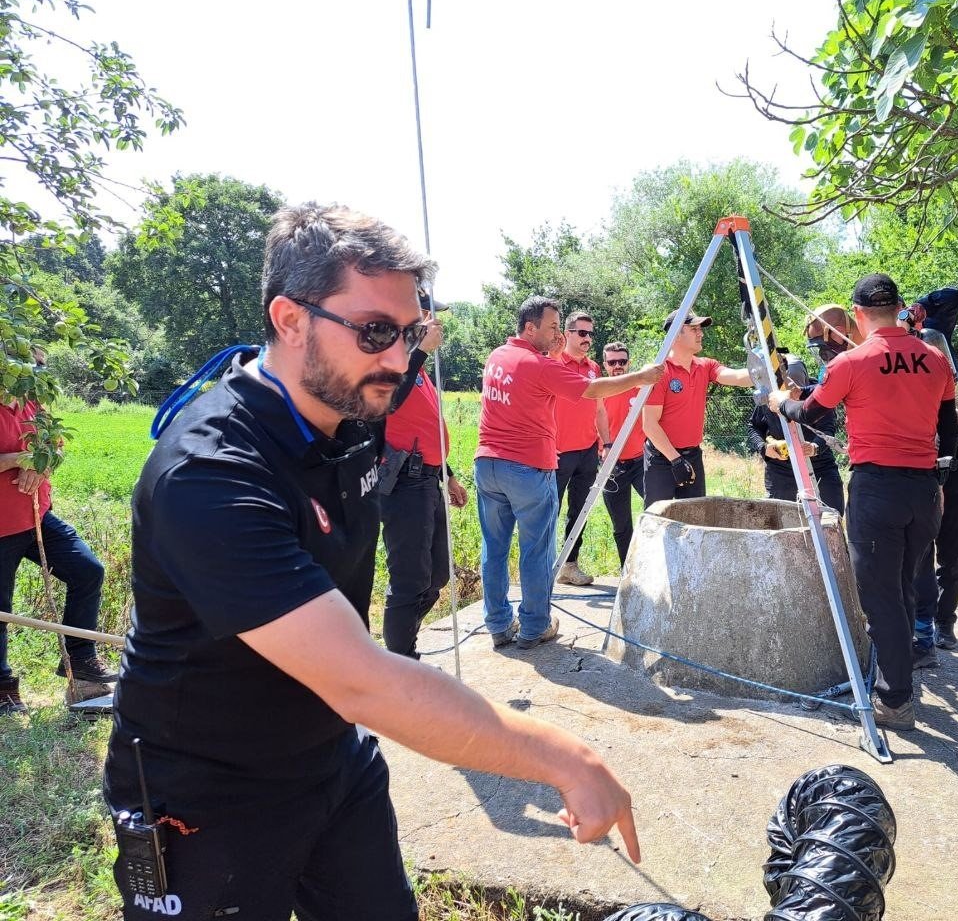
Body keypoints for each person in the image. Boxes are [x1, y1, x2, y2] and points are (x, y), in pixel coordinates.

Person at [105, 205, 642, 921]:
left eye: (410, 333)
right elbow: (365, 682)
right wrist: (560, 758)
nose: (398, 359)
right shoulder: (210, 475)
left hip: (330, 758)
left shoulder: (352, 408)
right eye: (376, 332)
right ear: (289, 320)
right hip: (207, 793)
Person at [769, 273, 956, 732]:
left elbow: (810, 412)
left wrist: (779, 402)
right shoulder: (935, 360)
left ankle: (894, 699)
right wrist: (937, 478)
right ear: (899, 308)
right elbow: (949, 431)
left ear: (858, 315)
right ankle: (900, 677)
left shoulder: (852, 363)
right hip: (925, 489)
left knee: (880, 596)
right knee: (907, 584)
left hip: (878, 490)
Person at [475, 296, 661, 651]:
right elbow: (591, 390)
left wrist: (552, 352)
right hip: (528, 467)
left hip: (488, 464)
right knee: (537, 551)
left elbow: (532, 384)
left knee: (495, 548)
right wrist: (640, 376)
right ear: (530, 328)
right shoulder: (541, 366)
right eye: (552, 328)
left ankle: (498, 624)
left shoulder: (498, 356)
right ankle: (534, 626)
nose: (557, 335)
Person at [0, 349, 114, 715]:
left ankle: (80, 662)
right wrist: (21, 459)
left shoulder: (35, 402)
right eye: (28, 369)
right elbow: (27, 455)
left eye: (38, 369)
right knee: (0, 610)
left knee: (87, 571)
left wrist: (42, 465)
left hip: (37, 518)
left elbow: (53, 447)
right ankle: (2, 687)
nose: (35, 375)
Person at [376, 298, 467, 660]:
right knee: (409, 580)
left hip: (428, 479)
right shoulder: (390, 359)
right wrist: (420, 354)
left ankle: (399, 649)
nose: (433, 322)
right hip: (403, 483)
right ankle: (401, 660)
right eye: (426, 314)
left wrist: (450, 475)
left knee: (437, 575)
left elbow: (425, 426)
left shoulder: (418, 367)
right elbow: (389, 403)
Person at [906, 288, 958, 668]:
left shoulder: (933, 337)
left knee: (952, 543)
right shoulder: (891, 349)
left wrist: (920, 308)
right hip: (920, 459)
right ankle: (920, 626)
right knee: (920, 546)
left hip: (956, 455)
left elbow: (952, 296)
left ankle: (944, 622)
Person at [642, 310, 753, 505]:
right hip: (661, 459)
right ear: (675, 334)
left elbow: (736, 377)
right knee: (657, 521)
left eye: (700, 329)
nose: (700, 333)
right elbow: (649, 424)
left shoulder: (705, 365)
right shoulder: (659, 372)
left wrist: (767, 369)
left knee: (694, 520)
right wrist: (675, 460)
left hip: (692, 456)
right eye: (694, 329)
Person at [746, 312, 851, 512]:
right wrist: (763, 447)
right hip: (781, 473)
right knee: (782, 528)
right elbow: (754, 426)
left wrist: (814, 447)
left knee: (831, 522)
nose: (790, 394)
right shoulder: (768, 397)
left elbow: (828, 428)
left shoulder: (820, 391)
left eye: (795, 388)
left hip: (820, 468)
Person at [552, 311, 609, 587]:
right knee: (548, 511)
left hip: (587, 451)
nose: (588, 338)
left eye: (591, 333)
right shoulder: (552, 362)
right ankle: (543, 569)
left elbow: (599, 408)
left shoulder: (593, 368)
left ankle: (569, 566)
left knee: (579, 511)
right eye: (582, 333)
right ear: (567, 333)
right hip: (556, 451)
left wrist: (606, 443)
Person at [599, 341, 647, 567]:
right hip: (611, 466)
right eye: (612, 362)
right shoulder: (597, 391)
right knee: (621, 525)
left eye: (622, 361)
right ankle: (627, 571)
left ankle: (652, 565)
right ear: (604, 364)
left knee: (659, 510)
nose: (617, 366)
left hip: (641, 462)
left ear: (629, 363)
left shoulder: (641, 388)